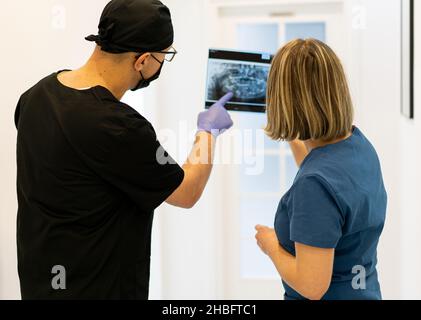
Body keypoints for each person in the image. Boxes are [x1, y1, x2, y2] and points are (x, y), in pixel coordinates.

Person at [14, 0, 233, 300]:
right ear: (142, 60)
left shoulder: (36, 96)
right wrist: (208, 132)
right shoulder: (117, 126)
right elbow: (187, 191)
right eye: (164, 56)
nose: (161, 64)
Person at [255, 39, 387, 300]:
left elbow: (312, 285)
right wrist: (292, 128)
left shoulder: (314, 185)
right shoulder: (359, 146)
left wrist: (271, 245)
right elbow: (325, 179)